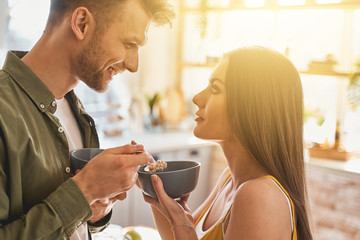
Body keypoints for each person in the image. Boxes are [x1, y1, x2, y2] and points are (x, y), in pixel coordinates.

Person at [0, 0, 174, 239]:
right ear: (81, 24)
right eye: (129, 43)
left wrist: (94, 209)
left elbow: (74, 228)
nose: (134, 65)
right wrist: (84, 191)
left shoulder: (76, 112)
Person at [144, 46, 313, 240]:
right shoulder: (230, 180)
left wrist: (182, 223)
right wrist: (154, 184)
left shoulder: (259, 196)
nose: (197, 98)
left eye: (215, 88)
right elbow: (180, 236)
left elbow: (185, 234)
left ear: (252, 105)